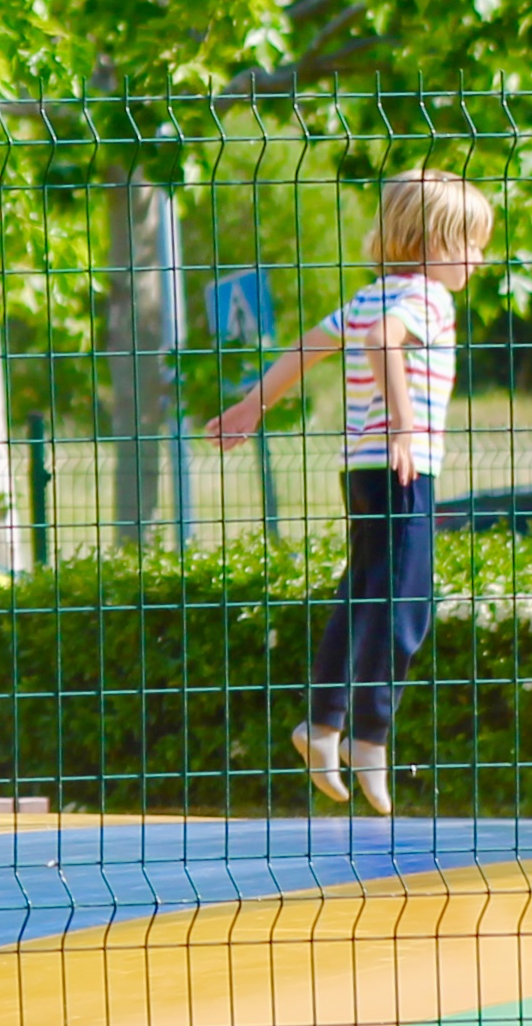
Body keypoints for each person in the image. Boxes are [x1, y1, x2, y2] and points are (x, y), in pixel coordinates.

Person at [211, 169, 495, 815]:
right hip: (403, 465)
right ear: (431, 241)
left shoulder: (375, 292)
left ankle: (324, 724)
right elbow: (379, 342)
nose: (477, 259)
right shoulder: (426, 298)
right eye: (469, 244)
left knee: (364, 591)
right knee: (407, 603)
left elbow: (311, 346)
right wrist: (402, 425)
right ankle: (371, 737)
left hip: (362, 467)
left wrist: (253, 406)